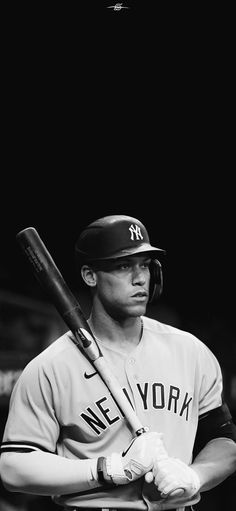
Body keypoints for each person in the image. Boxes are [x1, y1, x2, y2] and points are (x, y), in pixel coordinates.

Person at [0, 214, 236, 511]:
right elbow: (13, 466)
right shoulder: (50, 367)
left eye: (146, 265)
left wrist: (195, 475)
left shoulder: (191, 351)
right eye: (123, 266)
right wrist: (107, 469)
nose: (140, 278)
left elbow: (225, 442)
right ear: (90, 275)